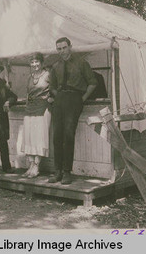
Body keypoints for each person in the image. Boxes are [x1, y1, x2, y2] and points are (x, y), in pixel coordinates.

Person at [48, 37, 97, 185]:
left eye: (64, 47)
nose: (62, 51)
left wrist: (82, 99)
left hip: (75, 98)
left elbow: (93, 83)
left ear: (70, 46)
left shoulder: (82, 63)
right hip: (60, 100)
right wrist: (59, 97)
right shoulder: (55, 66)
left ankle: (67, 172)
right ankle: (58, 172)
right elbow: (52, 87)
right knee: (57, 135)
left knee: (68, 134)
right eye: (59, 49)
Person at [19, 52, 51, 178]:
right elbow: (28, 94)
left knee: (39, 138)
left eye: (37, 61)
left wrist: (50, 98)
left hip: (42, 109)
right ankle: (31, 165)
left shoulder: (48, 75)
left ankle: (36, 166)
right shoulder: (30, 76)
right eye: (32, 62)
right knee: (29, 137)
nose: (34, 64)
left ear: (42, 63)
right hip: (30, 109)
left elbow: (55, 90)